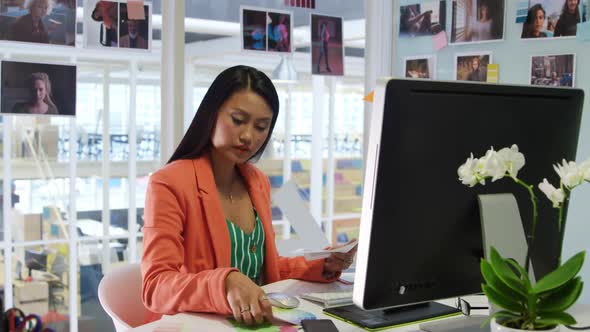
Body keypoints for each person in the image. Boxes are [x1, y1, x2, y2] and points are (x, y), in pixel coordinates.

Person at [141, 66, 357, 326]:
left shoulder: (257, 181)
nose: (248, 137)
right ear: (211, 114)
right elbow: (155, 286)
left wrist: (323, 264)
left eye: (261, 127)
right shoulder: (169, 182)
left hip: (254, 322)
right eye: (238, 120)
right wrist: (224, 283)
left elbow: (263, 268)